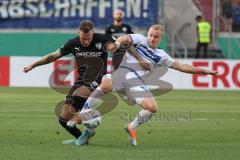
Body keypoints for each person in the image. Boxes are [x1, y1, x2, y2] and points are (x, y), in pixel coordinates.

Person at [68, 24, 218, 146]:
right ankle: (82, 115)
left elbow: (183, 67)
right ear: (148, 34)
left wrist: (205, 71)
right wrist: (118, 43)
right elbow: (126, 38)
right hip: (122, 74)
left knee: (152, 108)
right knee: (106, 84)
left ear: (161, 39)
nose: (152, 38)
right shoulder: (140, 39)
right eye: (151, 35)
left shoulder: (162, 56)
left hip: (137, 83)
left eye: (156, 36)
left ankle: (131, 127)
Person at [23, 20, 115, 145]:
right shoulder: (72, 43)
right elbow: (53, 56)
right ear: (78, 33)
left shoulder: (104, 38)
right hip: (80, 81)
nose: (86, 41)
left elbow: (124, 43)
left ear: (93, 33)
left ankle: (92, 120)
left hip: (97, 80)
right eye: (83, 39)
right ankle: (83, 136)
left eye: (89, 38)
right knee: (63, 120)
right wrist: (33, 65)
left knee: (77, 94)